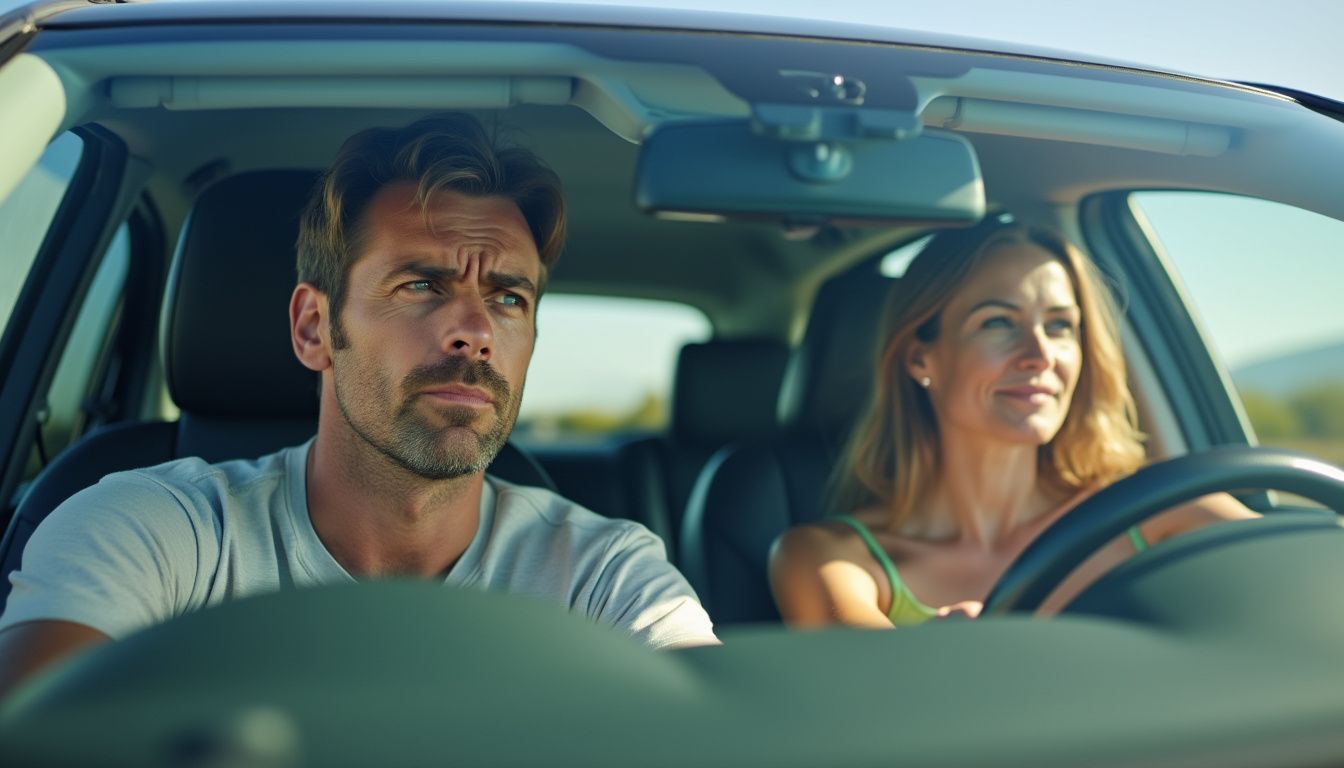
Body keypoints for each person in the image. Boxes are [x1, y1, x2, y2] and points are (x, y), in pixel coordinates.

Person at [0, 113, 717, 695]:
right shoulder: (149, 530)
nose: (475, 331)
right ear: (315, 328)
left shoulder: (604, 574)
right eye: (421, 285)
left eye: (507, 297)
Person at [769, 218, 1256, 628]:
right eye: (998, 322)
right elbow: (870, 688)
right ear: (921, 358)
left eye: (1060, 325)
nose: (1040, 355)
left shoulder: (1161, 513)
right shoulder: (830, 556)